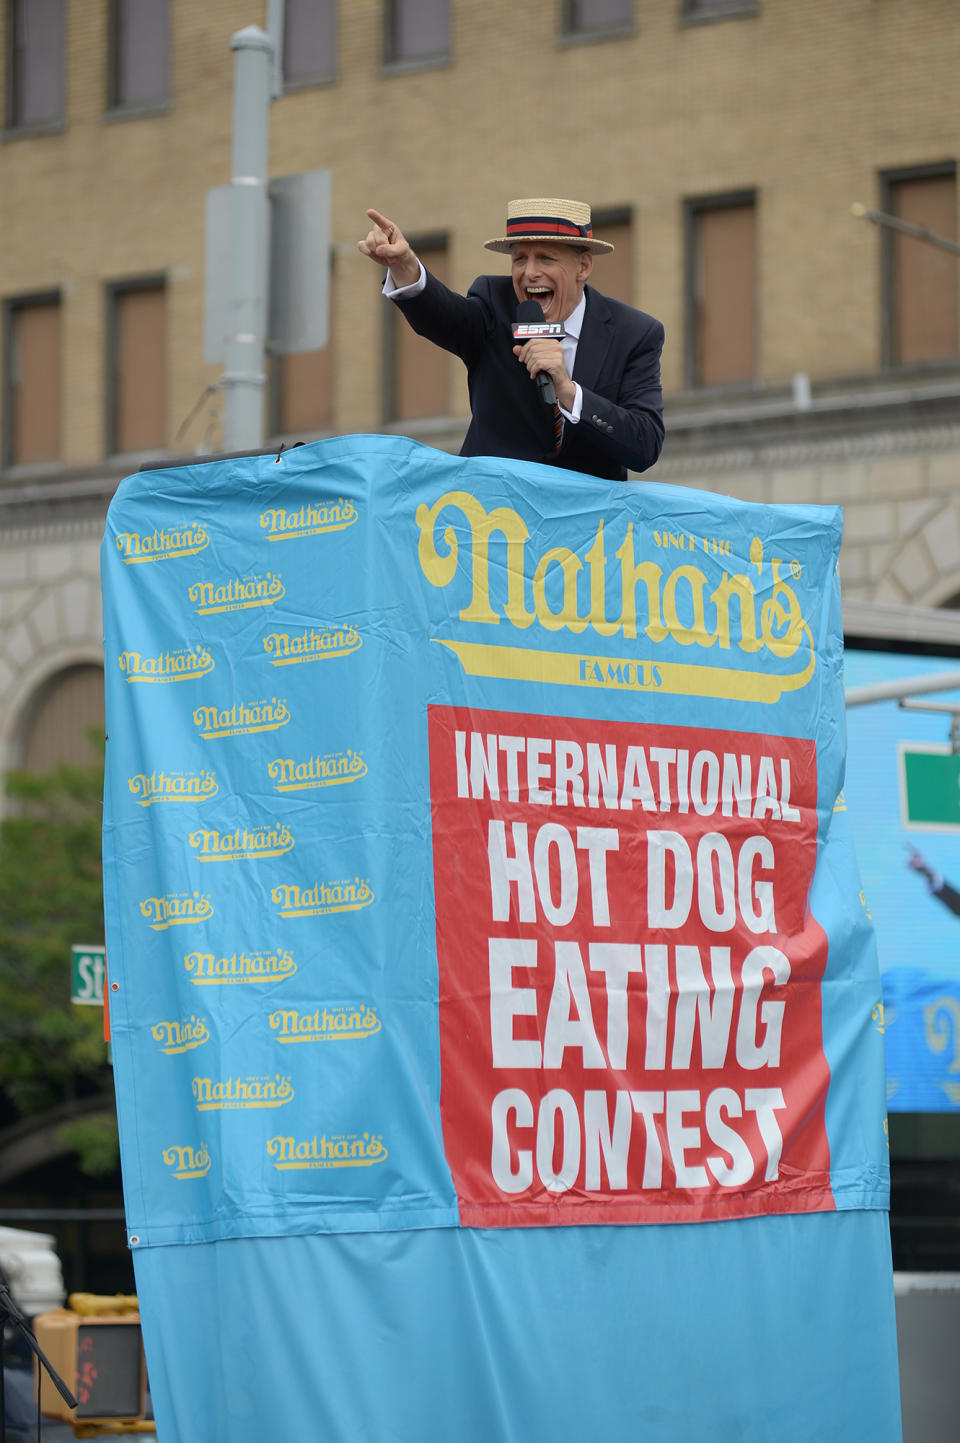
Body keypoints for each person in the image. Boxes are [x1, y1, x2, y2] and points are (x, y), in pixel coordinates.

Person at [358, 197, 664, 482]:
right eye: (520, 259)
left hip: (586, 530)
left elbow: (644, 445)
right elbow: (444, 316)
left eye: (545, 258)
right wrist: (405, 267)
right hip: (493, 519)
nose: (529, 273)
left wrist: (568, 392)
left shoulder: (633, 333)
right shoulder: (493, 304)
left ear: (583, 266)